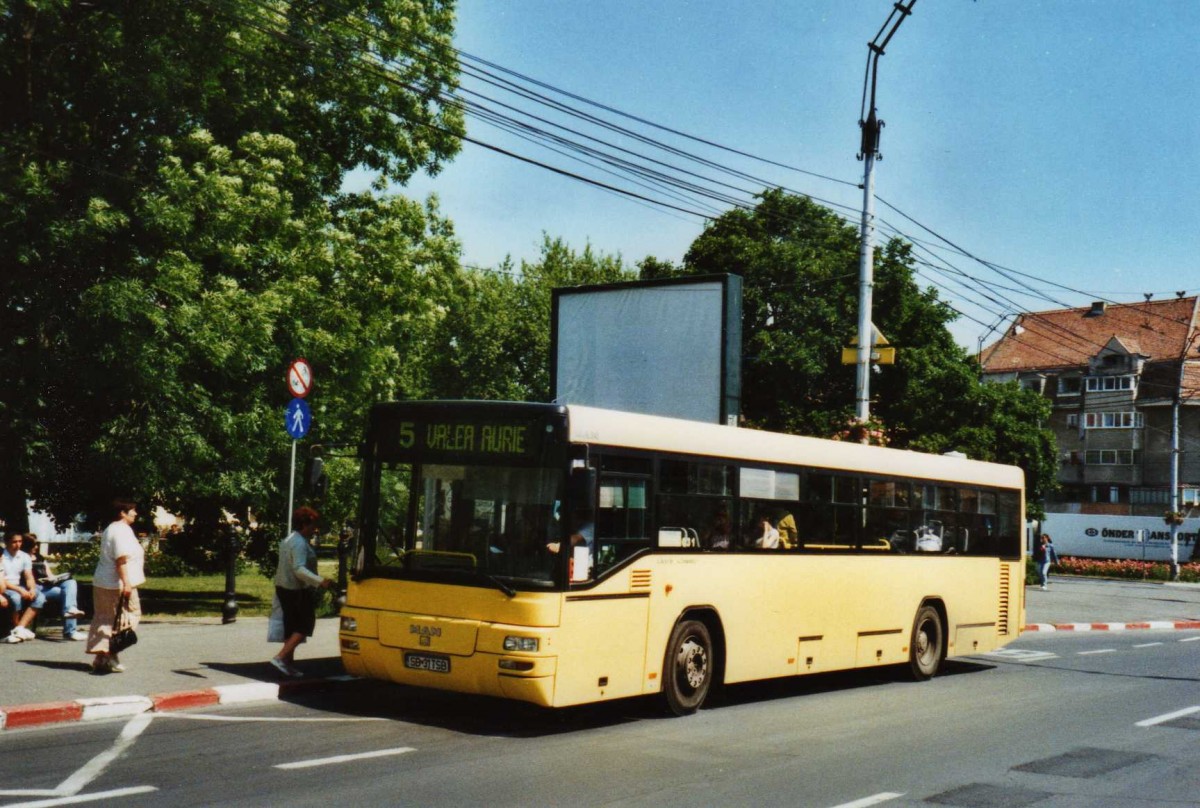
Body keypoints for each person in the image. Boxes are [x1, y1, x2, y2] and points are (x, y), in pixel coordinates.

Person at [271, 506, 334, 678]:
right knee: (305, 625)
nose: (315, 529)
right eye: (313, 524)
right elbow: (299, 569)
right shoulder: (298, 543)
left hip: (284, 587)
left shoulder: (290, 539)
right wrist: (320, 581)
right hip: (295, 589)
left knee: (291, 627)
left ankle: (287, 665)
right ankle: (280, 657)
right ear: (305, 524)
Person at [86, 499, 145, 673]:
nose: (136, 513)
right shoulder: (120, 531)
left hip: (104, 581)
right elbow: (121, 559)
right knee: (127, 618)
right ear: (122, 513)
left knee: (105, 619)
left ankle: (101, 657)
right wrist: (126, 583)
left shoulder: (112, 529)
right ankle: (110, 655)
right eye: (132, 510)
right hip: (116, 583)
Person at [24, 534, 87, 640]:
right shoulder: (22, 557)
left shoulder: (40, 557)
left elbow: (50, 574)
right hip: (35, 588)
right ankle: (70, 631)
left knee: (71, 583)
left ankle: (70, 613)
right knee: (67, 595)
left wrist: (54, 578)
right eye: (34, 545)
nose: (36, 547)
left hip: (47, 587)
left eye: (36, 544)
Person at [2, 531, 45, 643]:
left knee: (39, 597)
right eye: (14, 542)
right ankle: (15, 628)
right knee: (16, 598)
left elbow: (28, 576)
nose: (18, 545)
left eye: (20, 541)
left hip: (17, 585)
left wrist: (31, 589)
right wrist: (20, 590)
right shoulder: (2, 556)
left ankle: (20, 628)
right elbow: (2, 580)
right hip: (5, 586)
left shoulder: (24, 556)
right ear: (6, 542)